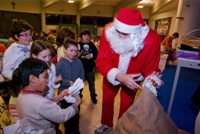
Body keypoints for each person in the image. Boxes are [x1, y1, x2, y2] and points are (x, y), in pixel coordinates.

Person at [95, 7, 162, 133]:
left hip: (133, 79)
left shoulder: (152, 40)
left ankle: (122, 127)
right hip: (111, 75)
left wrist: (152, 78)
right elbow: (102, 60)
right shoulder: (109, 31)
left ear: (136, 32)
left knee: (126, 105)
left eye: (125, 34)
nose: (120, 35)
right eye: (118, 31)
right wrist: (119, 76)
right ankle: (106, 124)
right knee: (107, 101)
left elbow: (151, 68)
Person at [10, 58, 81, 134]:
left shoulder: (21, 95)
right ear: (33, 79)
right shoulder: (40, 103)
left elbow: (41, 108)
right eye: (45, 76)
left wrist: (58, 97)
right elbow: (62, 116)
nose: (47, 80)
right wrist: (77, 103)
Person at [56, 38, 84, 134]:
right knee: (67, 113)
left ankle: (75, 130)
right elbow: (57, 79)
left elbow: (82, 76)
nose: (73, 53)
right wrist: (66, 82)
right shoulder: (60, 63)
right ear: (64, 49)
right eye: (71, 50)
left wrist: (79, 85)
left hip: (76, 93)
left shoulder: (78, 62)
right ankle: (68, 130)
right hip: (64, 93)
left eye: (76, 51)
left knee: (76, 112)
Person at [78, 29, 98, 104]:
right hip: (80, 68)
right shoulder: (78, 44)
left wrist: (91, 55)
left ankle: (93, 96)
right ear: (81, 36)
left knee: (91, 83)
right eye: (84, 35)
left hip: (90, 68)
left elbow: (96, 53)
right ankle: (79, 95)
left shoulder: (91, 44)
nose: (86, 37)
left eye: (88, 35)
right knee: (80, 84)